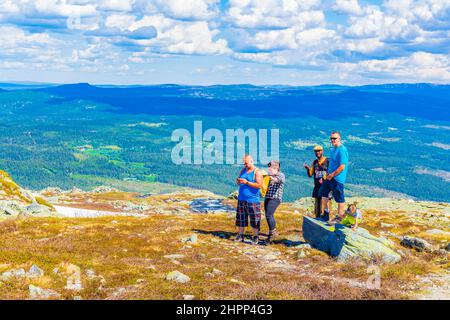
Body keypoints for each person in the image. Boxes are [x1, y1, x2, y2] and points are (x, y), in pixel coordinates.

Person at [319, 131, 349, 223]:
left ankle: (339, 218)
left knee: (339, 198)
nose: (332, 140)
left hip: (337, 178)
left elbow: (342, 166)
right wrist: (328, 174)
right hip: (329, 177)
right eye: (331, 139)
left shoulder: (342, 150)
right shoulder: (333, 150)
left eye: (334, 138)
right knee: (324, 193)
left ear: (339, 139)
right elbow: (332, 164)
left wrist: (332, 175)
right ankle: (326, 214)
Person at [235, 155, 263, 245]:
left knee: (254, 219)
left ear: (252, 161)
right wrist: (238, 181)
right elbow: (238, 181)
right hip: (241, 198)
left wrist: (246, 182)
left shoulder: (257, 172)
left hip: (253, 199)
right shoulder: (243, 170)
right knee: (241, 218)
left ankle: (255, 236)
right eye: (244, 163)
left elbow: (259, 185)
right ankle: (240, 235)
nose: (245, 164)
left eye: (246, 163)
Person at [304, 145, 331, 220]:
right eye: (316, 151)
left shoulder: (328, 161)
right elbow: (310, 174)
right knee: (317, 202)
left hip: (326, 185)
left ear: (322, 151)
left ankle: (327, 217)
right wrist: (307, 169)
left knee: (326, 202)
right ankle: (318, 217)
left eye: (319, 151)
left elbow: (332, 172)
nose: (317, 152)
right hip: (317, 186)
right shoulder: (315, 162)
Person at [264, 160, 285, 244]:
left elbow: (279, 181)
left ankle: (273, 233)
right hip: (268, 197)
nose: (269, 168)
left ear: (276, 167)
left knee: (269, 214)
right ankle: (271, 232)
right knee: (267, 215)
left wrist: (270, 177)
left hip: (275, 198)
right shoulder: (269, 175)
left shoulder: (280, 175)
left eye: (271, 166)